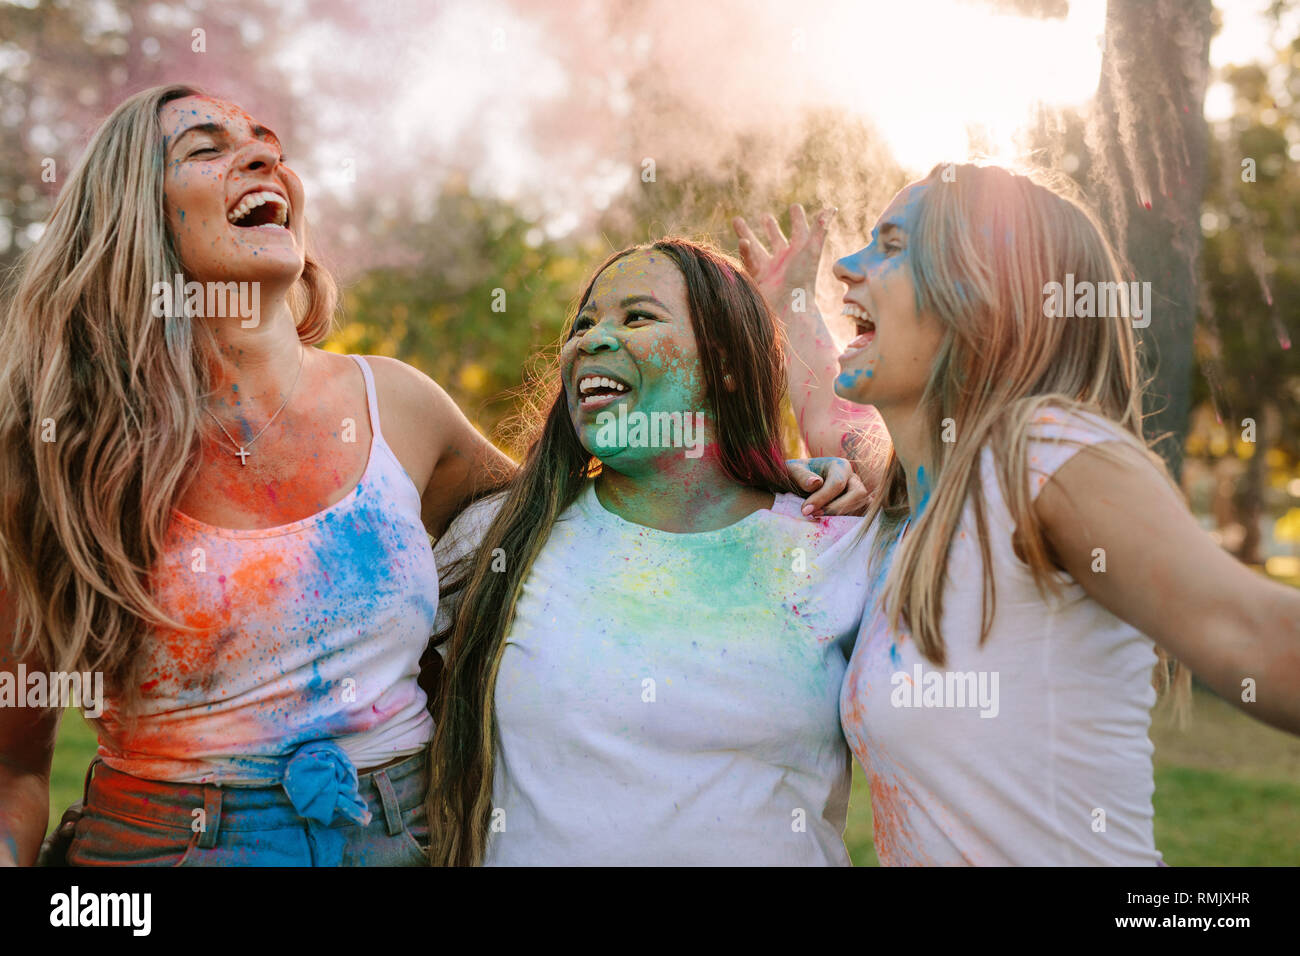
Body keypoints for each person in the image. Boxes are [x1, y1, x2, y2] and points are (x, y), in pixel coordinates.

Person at [0, 84, 513, 866]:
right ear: (133, 214)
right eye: (206, 149)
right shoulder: (56, 450)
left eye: (270, 146)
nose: (263, 156)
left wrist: (737, 346)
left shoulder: (400, 406)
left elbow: (568, 527)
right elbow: (10, 767)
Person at [733, 163, 1300, 865]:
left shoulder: (1043, 455)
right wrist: (788, 302)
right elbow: (829, 415)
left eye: (889, 245)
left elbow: (1253, 632)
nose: (847, 266)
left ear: (985, 297)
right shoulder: (914, 498)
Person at [428, 238, 874, 865]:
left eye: (637, 317)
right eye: (582, 324)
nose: (590, 339)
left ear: (723, 362)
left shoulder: (835, 541)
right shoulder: (497, 541)